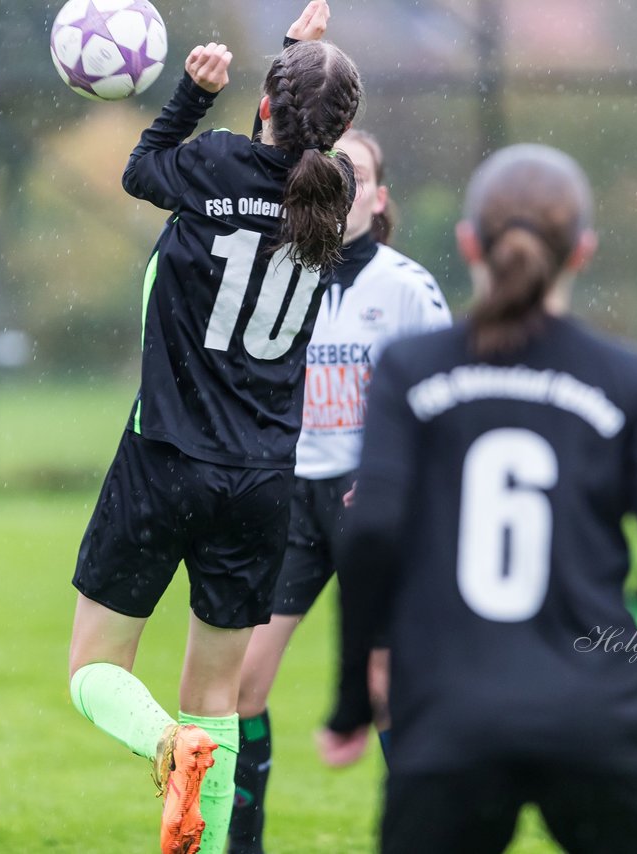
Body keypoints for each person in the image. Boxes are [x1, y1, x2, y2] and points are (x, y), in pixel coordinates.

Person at [320, 144, 637, 854]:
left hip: (447, 719)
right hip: (595, 719)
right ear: (582, 252)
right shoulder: (630, 379)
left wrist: (351, 700)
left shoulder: (411, 369)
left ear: (469, 243)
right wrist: (624, 630)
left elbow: (370, 533)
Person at [66, 4, 362, 852]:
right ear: (343, 133)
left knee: (94, 669)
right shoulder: (332, 197)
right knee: (220, 700)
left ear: (261, 107)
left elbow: (141, 168)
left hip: (165, 458)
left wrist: (194, 94)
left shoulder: (212, 162)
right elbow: (297, 145)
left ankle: (167, 747)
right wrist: (300, 62)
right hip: (266, 480)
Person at [228, 128, 452, 854]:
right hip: (291, 502)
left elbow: (448, 407)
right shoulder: (271, 276)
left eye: (353, 170)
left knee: (386, 690)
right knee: (239, 690)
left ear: (378, 197)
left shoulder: (408, 288)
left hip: (373, 506)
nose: (338, 180)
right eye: (325, 168)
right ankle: (241, 844)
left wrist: (397, 482)